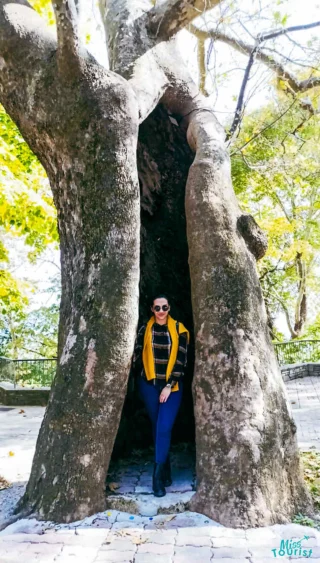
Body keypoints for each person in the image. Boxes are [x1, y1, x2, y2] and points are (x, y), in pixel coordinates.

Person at [132, 294, 190, 497]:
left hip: (171, 388)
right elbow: (138, 353)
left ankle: (156, 479)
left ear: (169, 308)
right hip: (148, 384)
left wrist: (168, 385)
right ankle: (165, 468)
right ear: (152, 310)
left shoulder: (179, 330)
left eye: (164, 307)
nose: (161, 311)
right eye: (157, 308)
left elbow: (181, 361)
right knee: (157, 428)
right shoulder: (144, 329)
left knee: (164, 428)